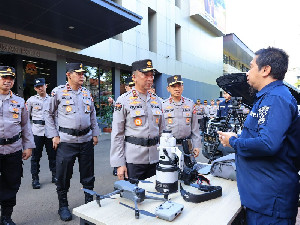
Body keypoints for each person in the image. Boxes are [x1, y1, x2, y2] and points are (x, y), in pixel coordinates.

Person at [218, 47, 299, 224]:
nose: (247, 72)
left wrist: (233, 141)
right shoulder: (267, 97)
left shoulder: (275, 99)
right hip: (262, 200)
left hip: (271, 205)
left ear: (265, 70)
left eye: (251, 66)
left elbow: (268, 144)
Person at [44, 63, 100, 221]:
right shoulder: (58, 92)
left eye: (83, 73)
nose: (82, 76)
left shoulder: (87, 93)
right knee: (63, 176)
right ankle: (63, 206)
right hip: (66, 141)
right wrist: (54, 135)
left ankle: (89, 206)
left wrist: (95, 133)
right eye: (78, 73)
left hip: (86, 140)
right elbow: (48, 114)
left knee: (88, 176)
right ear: (69, 74)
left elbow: (92, 116)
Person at [110, 59, 164, 180]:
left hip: (155, 158)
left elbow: (162, 131)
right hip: (134, 160)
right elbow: (117, 134)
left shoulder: (157, 101)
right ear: (134, 77)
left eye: (152, 75)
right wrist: (119, 163)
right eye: (145, 75)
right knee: (134, 196)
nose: (150, 78)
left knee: (155, 196)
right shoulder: (123, 100)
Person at [0, 66, 35, 225]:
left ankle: (6, 217)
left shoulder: (20, 102)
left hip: (13, 149)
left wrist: (28, 146)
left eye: (11, 78)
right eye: (4, 77)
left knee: (11, 183)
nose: (8, 81)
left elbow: (25, 126)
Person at [26, 78, 56, 189]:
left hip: (50, 131)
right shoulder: (31, 100)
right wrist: (28, 133)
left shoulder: (52, 99)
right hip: (36, 131)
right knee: (35, 157)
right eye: (38, 86)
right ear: (35, 88)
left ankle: (55, 175)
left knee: (53, 155)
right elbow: (26, 117)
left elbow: (56, 116)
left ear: (46, 86)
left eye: (42, 86)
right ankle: (35, 179)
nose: (40, 88)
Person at [162, 75, 201, 158]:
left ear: (182, 87)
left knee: (188, 169)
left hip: (186, 146)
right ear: (168, 89)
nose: (177, 89)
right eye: (173, 86)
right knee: (169, 170)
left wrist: (197, 145)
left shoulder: (190, 104)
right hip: (168, 146)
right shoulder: (163, 105)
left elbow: (195, 128)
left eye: (179, 86)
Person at [109, 77, 135, 176]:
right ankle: (117, 166)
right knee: (119, 148)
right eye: (131, 86)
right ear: (126, 87)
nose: (133, 88)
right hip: (122, 130)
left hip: (130, 133)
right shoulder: (123, 98)